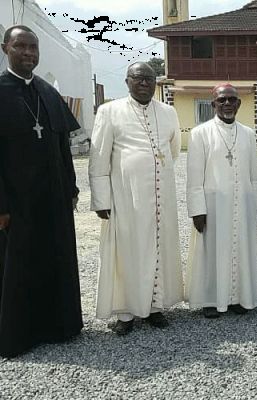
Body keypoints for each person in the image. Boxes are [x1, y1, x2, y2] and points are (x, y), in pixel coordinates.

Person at [0, 25, 82, 357]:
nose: (29, 53)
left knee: (56, 259)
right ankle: (19, 335)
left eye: (33, 47)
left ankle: (59, 327)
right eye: (21, 46)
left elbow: (64, 145)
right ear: (5, 48)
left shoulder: (49, 92)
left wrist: (72, 187)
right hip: (16, 203)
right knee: (16, 267)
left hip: (53, 197)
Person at [89, 62, 183, 335]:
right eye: (138, 78)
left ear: (156, 83)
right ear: (127, 80)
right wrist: (102, 201)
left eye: (149, 79)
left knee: (159, 248)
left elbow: (173, 149)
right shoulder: (109, 111)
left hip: (160, 196)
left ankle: (155, 308)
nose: (144, 83)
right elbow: (98, 158)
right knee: (127, 253)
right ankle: (126, 312)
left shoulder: (168, 112)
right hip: (126, 197)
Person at [186, 83, 257, 318]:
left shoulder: (249, 134)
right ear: (213, 104)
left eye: (232, 100)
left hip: (243, 204)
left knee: (241, 249)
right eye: (222, 100)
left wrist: (256, 206)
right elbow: (194, 178)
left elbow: (255, 176)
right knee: (211, 252)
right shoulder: (200, 133)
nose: (227, 104)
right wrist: (197, 210)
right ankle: (210, 299)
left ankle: (239, 298)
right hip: (213, 207)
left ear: (239, 103)